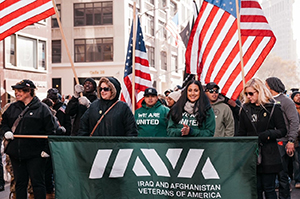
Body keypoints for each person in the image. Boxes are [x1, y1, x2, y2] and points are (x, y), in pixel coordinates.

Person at [0, 79, 56, 199]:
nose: (16, 94)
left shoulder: (43, 109)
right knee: (20, 184)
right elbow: (3, 124)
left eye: (20, 91)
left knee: (38, 183)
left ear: (29, 92)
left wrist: (47, 150)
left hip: (36, 154)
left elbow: (51, 131)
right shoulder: (11, 108)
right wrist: (6, 131)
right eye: (16, 91)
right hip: (16, 153)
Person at [237, 77, 287, 199]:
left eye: (251, 93)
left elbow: (282, 130)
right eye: (246, 93)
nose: (248, 96)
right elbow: (240, 132)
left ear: (260, 92)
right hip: (251, 153)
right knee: (255, 189)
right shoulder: (245, 109)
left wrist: (267, 134)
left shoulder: (274, 108)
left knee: (269, 188)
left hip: (269, 153)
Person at [265, 77, 299, 198]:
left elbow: (294, 122)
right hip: (269, 142)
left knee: (282, 175)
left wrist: (290, 140)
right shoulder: (266, 100)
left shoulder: (286, 101)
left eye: (266, 85)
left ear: (272, 86)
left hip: (282, 142)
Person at [290, 91, 300, 189]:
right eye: (296, 96)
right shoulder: (292, 109)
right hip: (296, 138)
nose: (299, 97)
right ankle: (298, 180)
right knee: (296, 161)